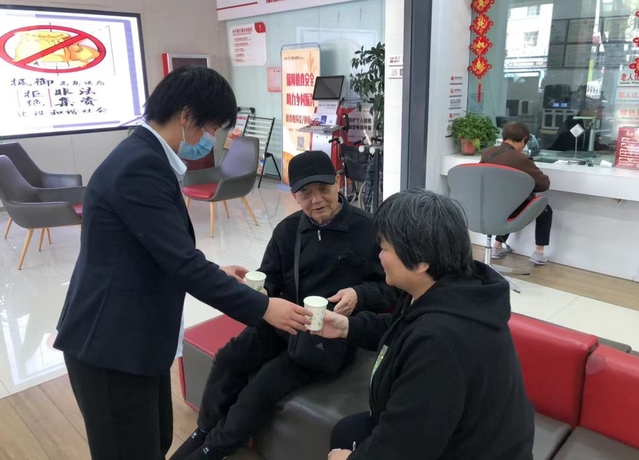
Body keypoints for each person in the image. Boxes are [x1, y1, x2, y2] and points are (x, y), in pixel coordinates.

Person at [53, 66, 311, 460]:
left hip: (136, 340)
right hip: (110, 345)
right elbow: (181, 263)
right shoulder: (140, 166)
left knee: (153, 441)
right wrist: (264, 308)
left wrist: (217, 272)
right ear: (187, 117)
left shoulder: (145, 155)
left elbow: (159, 249)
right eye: (211, 128)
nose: (210, 139)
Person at [171, 150, 398, 460]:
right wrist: (259, 290)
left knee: (262, 386)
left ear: (338, 183)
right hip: (282, 321)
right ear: (294, 195)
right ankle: (204, 429)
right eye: (306, 193)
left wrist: (360, 295)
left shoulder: (367, 230)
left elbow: (392, 288)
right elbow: (270, 277)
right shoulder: (288, 231)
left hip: (329, 336)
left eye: (324, 189)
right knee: (228, 359)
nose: (316, 200)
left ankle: (214, 449)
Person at [316, 189, 535, 460]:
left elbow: (405, 448)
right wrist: (348, 327)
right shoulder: (448, 289)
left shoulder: (440, 344)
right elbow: (403, 328)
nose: (379, 256)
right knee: (346, 430)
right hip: (451, 433)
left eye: (384, 248)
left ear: (420, 261)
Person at [480, 122, 553, 265]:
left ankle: (497, 247)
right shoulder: (521, 159)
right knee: (544, 209)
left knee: (507, 203)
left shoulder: (487, 153)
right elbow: (543, 185)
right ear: (524, 140)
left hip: (486, 207)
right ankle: (539, 253)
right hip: (509, 209)